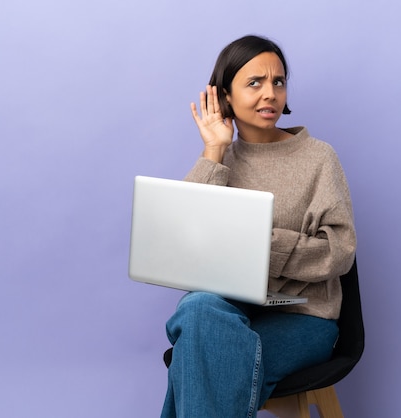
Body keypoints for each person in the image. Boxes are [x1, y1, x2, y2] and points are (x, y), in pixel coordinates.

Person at [160, 35, 357, 418]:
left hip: (304, 317)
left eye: (278, 82)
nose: (270, 93)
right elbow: (184, 243)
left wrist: (260, 242)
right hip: (230, 310)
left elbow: (339, 251)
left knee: (201, 355)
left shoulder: (317, 157)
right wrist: (214, 150)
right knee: (199, 308)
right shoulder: (220, 161)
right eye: (254, 83)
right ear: (225, 96)